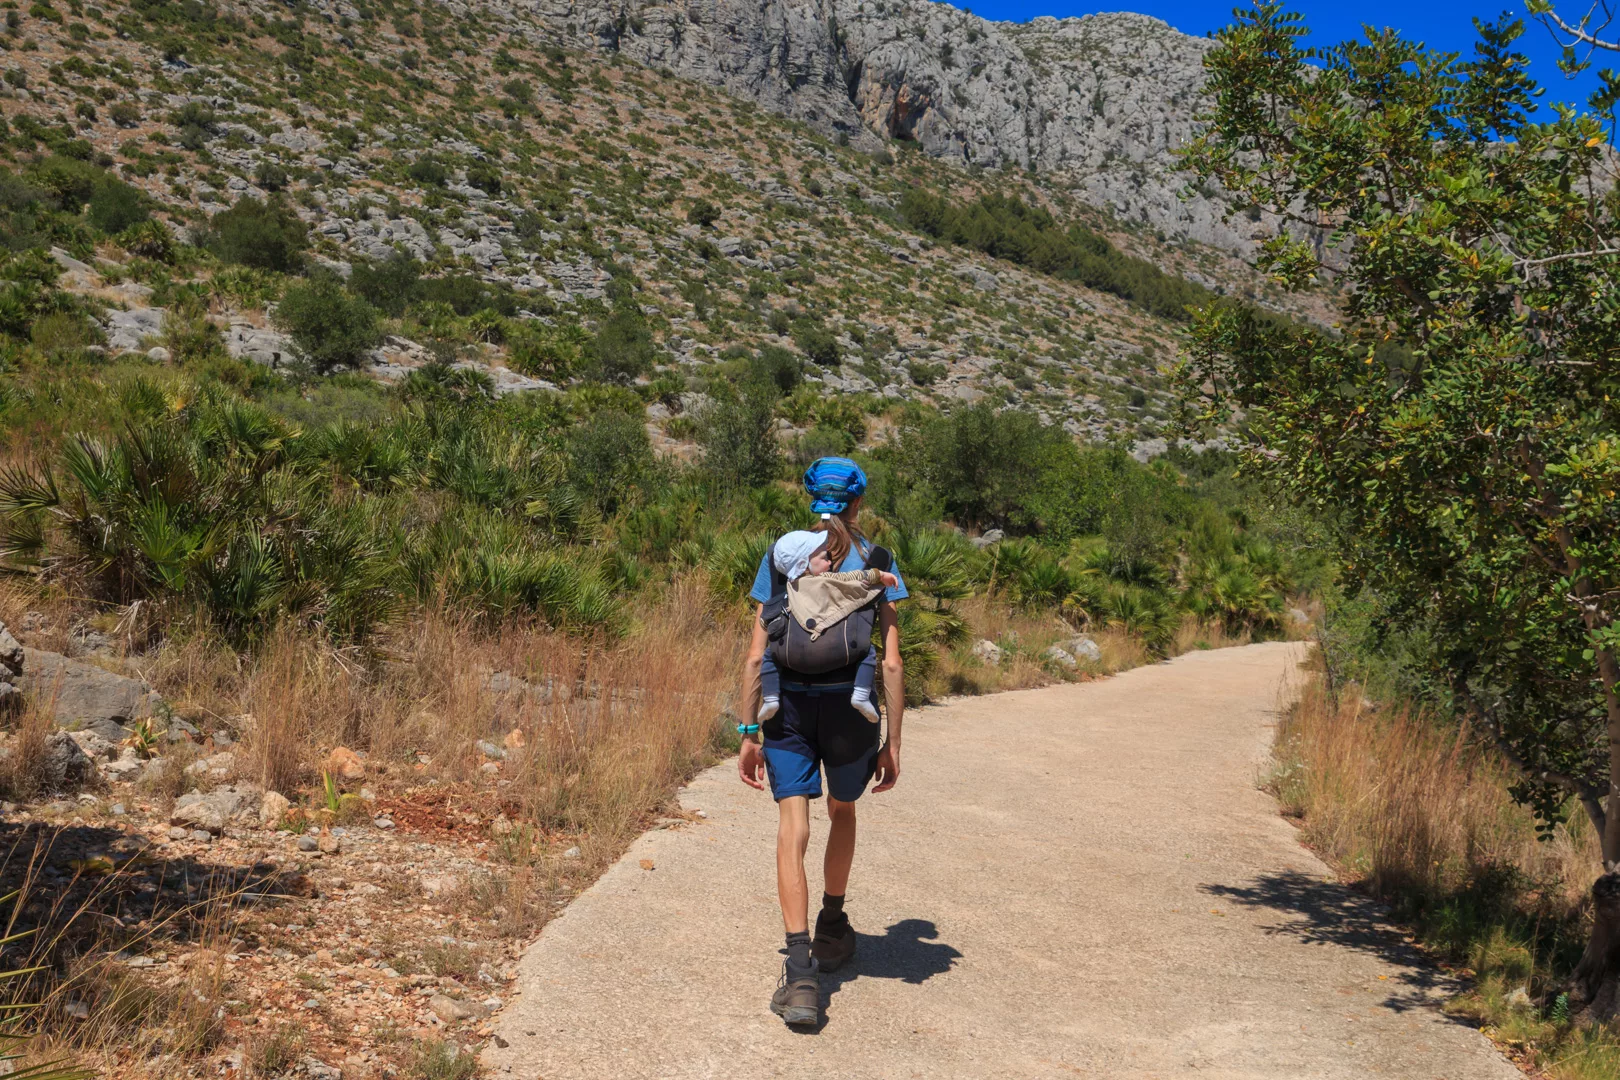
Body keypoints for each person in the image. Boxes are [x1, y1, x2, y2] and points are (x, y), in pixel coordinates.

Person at [737, 457, 906, 1028]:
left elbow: (758, 653)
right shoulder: (879, 562)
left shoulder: (782, 555)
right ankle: (833, 926)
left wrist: (747, 731)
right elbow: (892, 662)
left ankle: (800, 973)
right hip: (850, 711)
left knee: (794, 826)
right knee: (843, 810)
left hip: (785, 708)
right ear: (858, 502)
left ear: (810, 497)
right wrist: (894, 744)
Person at [757, 528, 900, 724]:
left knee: (769, 655)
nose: (830, 562)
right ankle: (860, 694)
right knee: (867, 653)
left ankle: (771, 698)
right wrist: (879, 575)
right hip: (835, 656)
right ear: (802, 564)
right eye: (824, 557)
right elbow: (856, 578)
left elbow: (766, 620)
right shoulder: (829, 581)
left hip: (792, 656)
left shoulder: (789, 590)